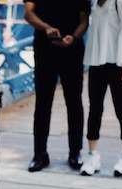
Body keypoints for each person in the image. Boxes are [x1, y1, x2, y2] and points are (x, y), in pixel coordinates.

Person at [24, 0, 91, 172]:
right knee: (43, 103)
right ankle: (39, 154)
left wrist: (74, 37)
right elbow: (28, 13)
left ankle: (75, 152)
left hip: (73, 50)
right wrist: (46, 27)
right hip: (44, 48)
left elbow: (84, 20)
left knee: (74, 101)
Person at [80, 0, 122, 176]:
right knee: (95, 108)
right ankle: (93, 155)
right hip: (96, 59)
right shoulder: (92, 1)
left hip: (117, 60)